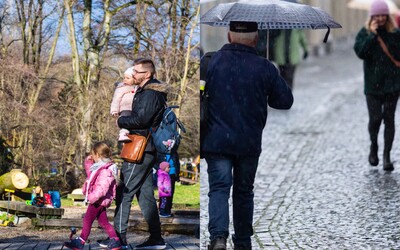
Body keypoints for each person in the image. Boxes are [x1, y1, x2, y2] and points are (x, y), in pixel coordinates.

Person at [201, 21, 294, 250]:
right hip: (248, 143)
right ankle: (243, 240)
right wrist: (273, 73)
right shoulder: (264, 66)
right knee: (243, 192)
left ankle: (219, 239)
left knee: (219, 189)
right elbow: (284, 101)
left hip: (216, 139)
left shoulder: (211, 62)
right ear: (255, 39)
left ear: (229, 36)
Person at [113, 58, 167, 249]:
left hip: (140, 148)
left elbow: (141, 120)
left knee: (124, 192)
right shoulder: (148, 91)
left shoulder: (150, 93)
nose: (132, 74)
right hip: (146, 148)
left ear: (147, 74)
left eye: (136, 71)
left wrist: (121, 121)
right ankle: (156, 238)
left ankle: (118, 239)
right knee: (145, 196)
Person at [354, 0, 400, 171]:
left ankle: (387, 156)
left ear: (387, 16)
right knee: (375, 119)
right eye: (377, 15)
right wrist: (372, 36)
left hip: (392, 85)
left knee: (389, 119)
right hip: (373, 86)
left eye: (383, 15)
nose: (380, 18)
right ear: (372, 16)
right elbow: (361, 53)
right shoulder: (364, 33)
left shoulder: (395, 33)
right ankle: (374, 146)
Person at [64, 142, 121, 250]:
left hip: (98, 200)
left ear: (98, 155)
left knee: (87, 220)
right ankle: (115, 240)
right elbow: (91, 173)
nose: (92, 157)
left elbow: (102, 187)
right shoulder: (100, 167)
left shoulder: (105, 170)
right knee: (103, 222)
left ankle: (80, 242)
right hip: (100, 201)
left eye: (93, 155)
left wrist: (93, 197)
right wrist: (88, 160)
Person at [110, 67, 138, 142]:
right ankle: (122, 134)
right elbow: (116, 99)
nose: (125, 79)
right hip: (125, 108)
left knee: (132, 123)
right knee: (126, 119)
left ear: (134, 79)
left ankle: (128, 135)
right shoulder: (122, 87)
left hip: (135, 109)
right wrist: (114, 110)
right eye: (124, 78)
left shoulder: (138, 88)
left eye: (128, 78)